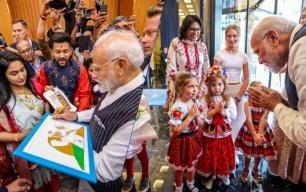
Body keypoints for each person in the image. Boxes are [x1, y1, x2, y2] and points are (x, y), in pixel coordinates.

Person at [53, 30, 145, 192]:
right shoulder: (119, 81)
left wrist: (71, 143)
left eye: (97, 69)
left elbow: (104, 171)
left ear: (121, 65)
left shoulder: (134, 111)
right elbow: (103, 109)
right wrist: (76, 116)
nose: (93, 75)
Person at [248, 16, 306, 191]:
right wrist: (282, 100)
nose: (258, 61)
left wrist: (276, 106)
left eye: (258, 51)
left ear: (273, 37)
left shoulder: (302, 55)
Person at [0, 51, 59, 191]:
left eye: (22, 70)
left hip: (44, 143)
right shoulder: (3, 99)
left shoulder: (31, 84)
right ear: (3, 76)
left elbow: (43, 99)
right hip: (24, 151)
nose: (21, 76)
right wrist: (18, 136)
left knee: (50, 181)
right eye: (14, 73)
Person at [197, 65, 237, 190]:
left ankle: (223, 175)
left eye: (220, 84)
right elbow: (202, 115)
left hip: (223, 134)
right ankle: (209, 176)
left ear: (224, 85)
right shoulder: (205, 99)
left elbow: (233, 114)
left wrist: (223, 112)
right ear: (209, 86)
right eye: (213, 85)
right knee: (209, 154)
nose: (217, 88)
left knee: (222, 154)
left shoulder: (228, 99)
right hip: (209, 134)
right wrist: (215, 111)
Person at [167, 73, 205, 192]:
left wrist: (196, 117)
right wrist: (189, 117)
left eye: (196, 86)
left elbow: (201, 124)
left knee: (191, 165)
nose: (195, 90)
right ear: (180, 89)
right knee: (180, 169)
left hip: (193, 139)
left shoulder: (194, 102)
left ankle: (190, 183)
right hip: (182, 141)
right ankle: (178, 188)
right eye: (191, 86)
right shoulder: (177, 107)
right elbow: (176, 131)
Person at [165, 15, 210, 112]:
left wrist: (200, 88)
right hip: (180, 89)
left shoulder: (202, 46)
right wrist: (185, 90)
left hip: (198, 91)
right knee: (179, 120)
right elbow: (171, 70)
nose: (195, 33)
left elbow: (206, 70)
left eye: (198, 29)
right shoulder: (176, 43)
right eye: (192, 29)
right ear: (185, 29)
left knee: (198, 119)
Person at [235, 81, 277, 184]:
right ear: (251, 93)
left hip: (262, 129)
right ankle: (245, 169)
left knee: (259, 152)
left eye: (261, 91)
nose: (260, 94)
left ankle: (255, 168)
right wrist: (254, 135)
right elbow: (249, 120)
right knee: (248, 153)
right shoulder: (248, 103)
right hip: (250, 129)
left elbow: (263, 119)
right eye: (257, 91)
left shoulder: (266, 105)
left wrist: (260, 136)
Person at [214, 24, 249, 143]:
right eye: (229, 36)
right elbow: (215, 77)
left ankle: (232, 146)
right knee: (223, 119)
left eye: (234, 36)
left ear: (238, 37)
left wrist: (239, 96)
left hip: (238, 91)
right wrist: (220, 94)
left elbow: (247, 79)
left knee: (238, 119)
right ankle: (222, 146)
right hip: (223, 91)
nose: (232, 38)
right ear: (225, 37)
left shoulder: (243, 56)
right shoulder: (219, 55)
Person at [39, 32, 91, 112]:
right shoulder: (45, 67)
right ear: (52, 51)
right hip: (53, 111)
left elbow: (85, 95)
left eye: (65, 51)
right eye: (58, 52)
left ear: (70, 51)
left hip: (73, 111)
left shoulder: (80, 69)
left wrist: (78, 116)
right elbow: (42, 89)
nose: (62, 56)